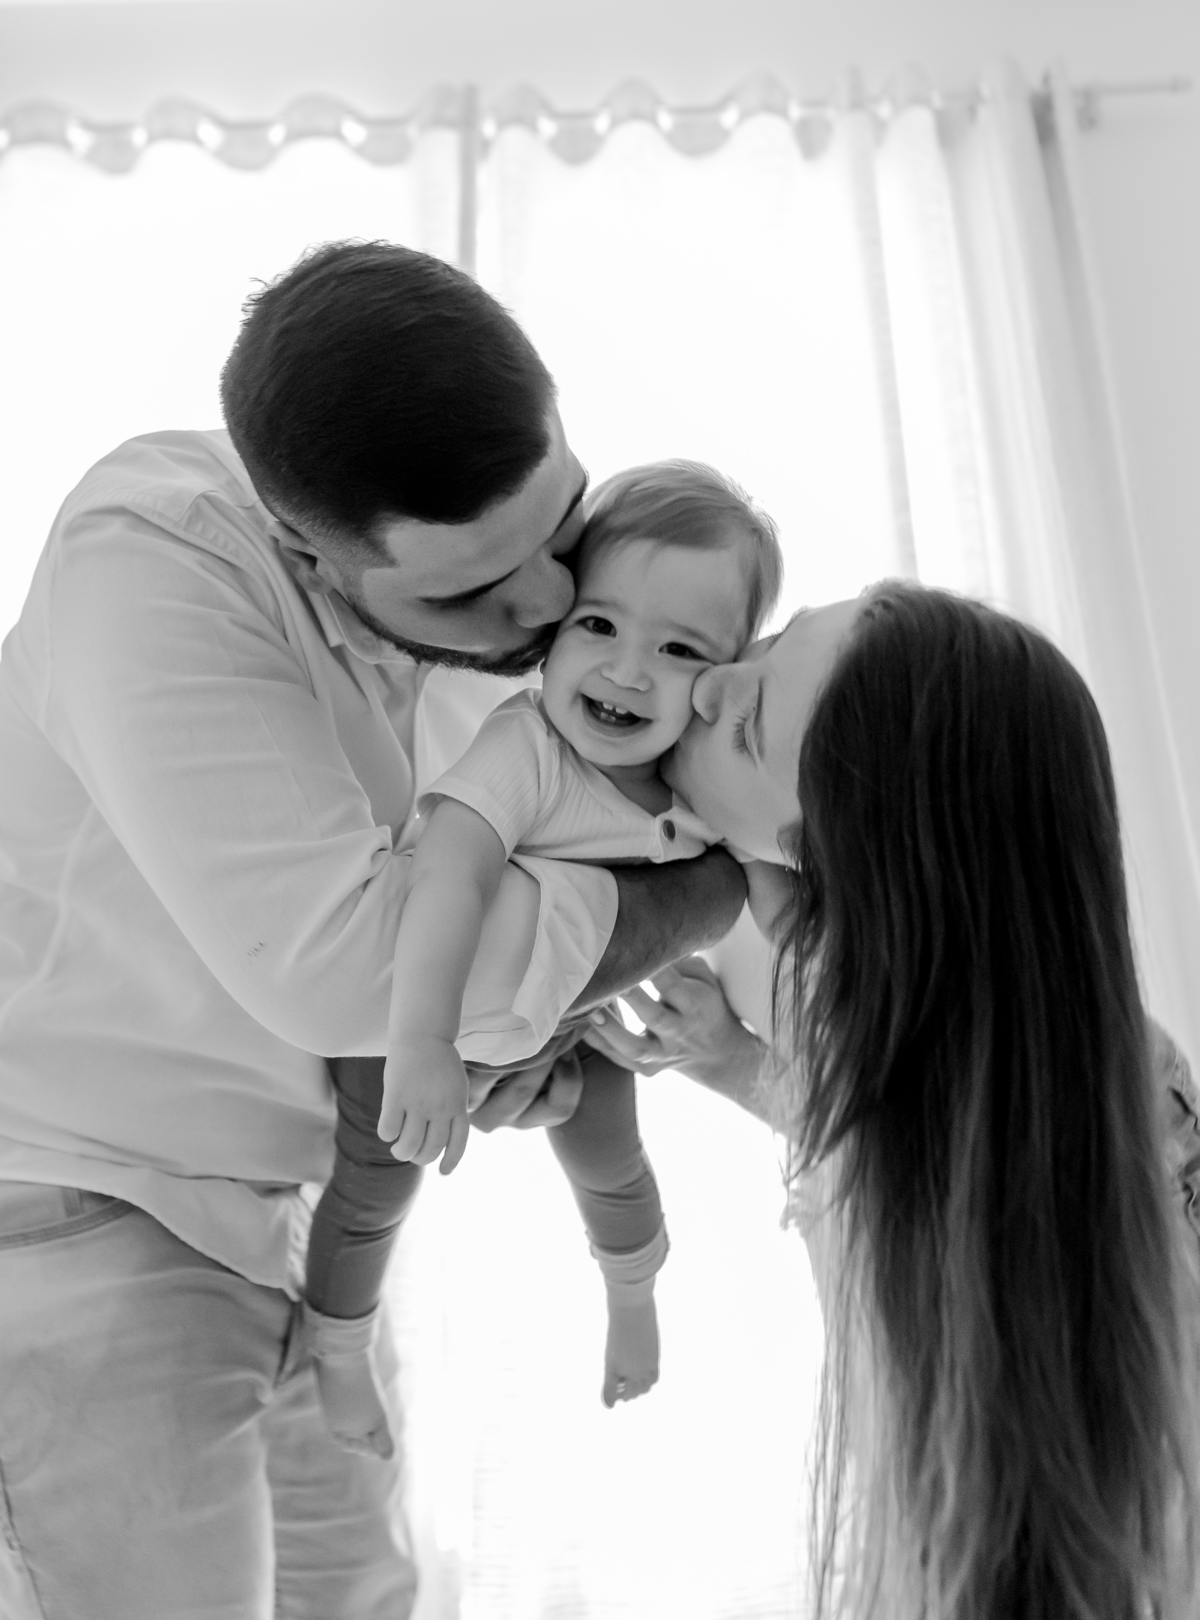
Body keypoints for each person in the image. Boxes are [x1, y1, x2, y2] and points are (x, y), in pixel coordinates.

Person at [0, 242, 747, 1620]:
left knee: (367, 1601)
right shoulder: (151, 560)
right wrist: (711, 894)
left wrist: (525, 1019)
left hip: (290, 1217)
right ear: (306, 551)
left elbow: (495, 917)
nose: (540, 617)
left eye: (555, 528)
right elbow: (357, 964)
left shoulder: (519, 610)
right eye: (468, 593)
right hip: (84, 1219)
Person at [590, 582, 1200, 1620]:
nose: (706, 689)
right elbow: (891, 1152)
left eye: (744, 724)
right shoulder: (942, 1035)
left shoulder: (1098, 1102)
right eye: (772, 645)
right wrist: (731, 1059)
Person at [300, 461, 783, 1453]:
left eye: (679, 647)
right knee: (373, 1189)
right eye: (598, 626)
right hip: (415, 1021)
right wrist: (423, 1040)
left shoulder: (697, 784)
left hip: (572, 1024)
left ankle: (636, 1297)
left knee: (615, 1162)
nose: (626, 669)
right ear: (555, 630)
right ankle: (338, 1356)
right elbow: (450, 875)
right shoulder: (528, 749)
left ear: (726, 676)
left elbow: (757, 887)